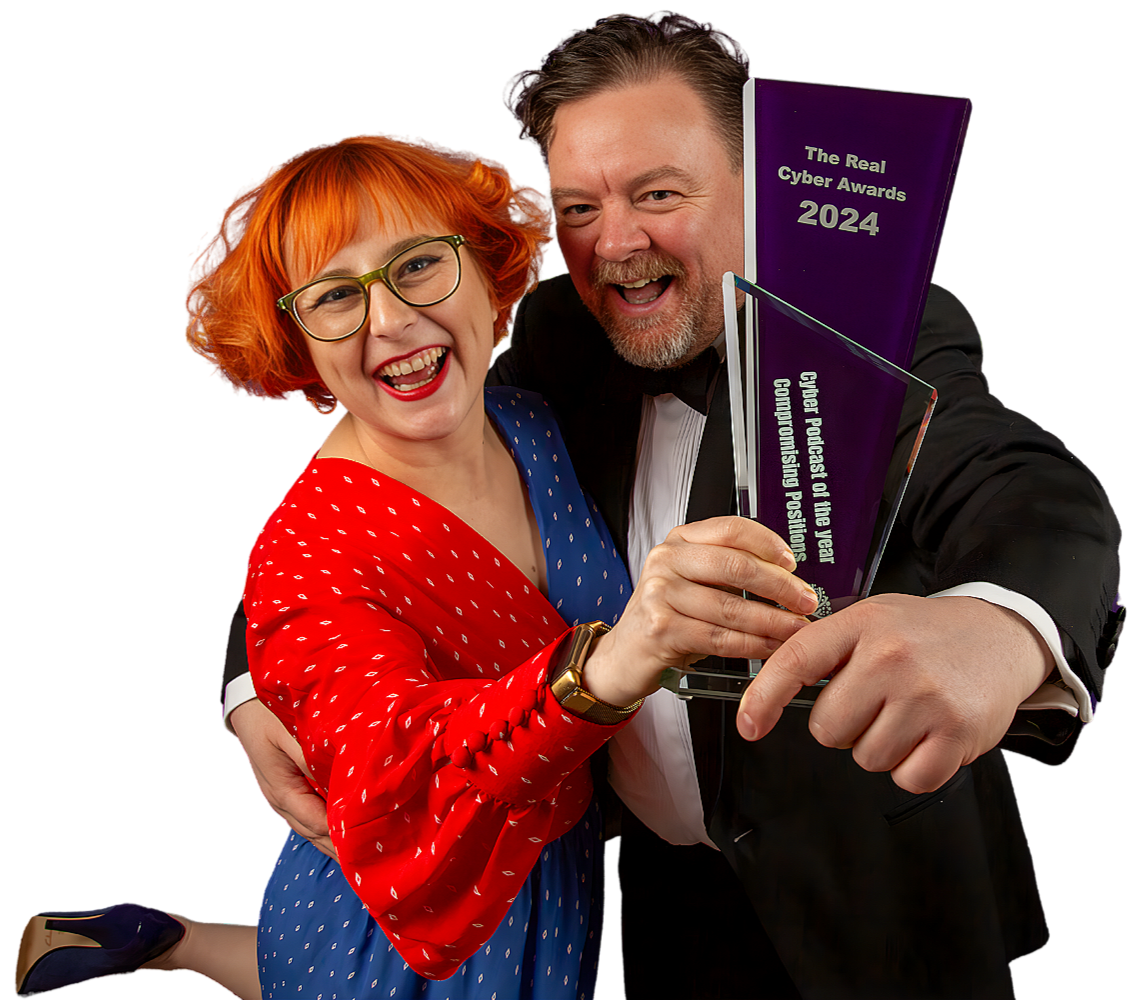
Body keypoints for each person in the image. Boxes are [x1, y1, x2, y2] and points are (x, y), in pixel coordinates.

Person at [221, 12, 1125, 1000]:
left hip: (877, 907)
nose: (615, 242)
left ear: (753, 185)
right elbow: (375, 485)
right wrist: (251, 682)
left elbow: (1023, 482)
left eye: (657, 193)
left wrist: (1000, 624)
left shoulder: (872, 327)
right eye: (578, 206)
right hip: (633, 904)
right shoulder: (549, 336)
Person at [16, 133, 822, 999]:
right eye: (334, 296)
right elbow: (396, 772)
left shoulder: (532, 426)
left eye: (416, 267)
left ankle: (166, 936)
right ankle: (166, 943)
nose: (391, 321)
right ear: (300, 343)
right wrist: (609, 664)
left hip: (573, 888)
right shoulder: (304, 542)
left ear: (484, 270)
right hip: (397, 930)